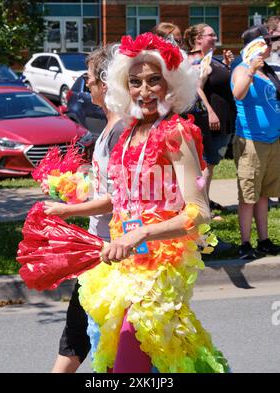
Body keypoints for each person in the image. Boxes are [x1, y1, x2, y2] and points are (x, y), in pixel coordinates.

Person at [78, 32, 230, 373]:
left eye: (153, 81)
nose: (144, 92)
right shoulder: (130, 131)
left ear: (171, 84)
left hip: (163, 264)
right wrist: (67, 210)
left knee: (133, 355)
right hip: (127, 261)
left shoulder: (175, 131)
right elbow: (119, 199)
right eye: (135, 82)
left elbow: (199, 212)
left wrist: (141, 234)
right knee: (164, 353)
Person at [43, 44, 124, 372]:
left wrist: (67, 212)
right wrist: (75, 189)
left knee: (107, 341)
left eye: (88, 80)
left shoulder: (120, 131)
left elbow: (120, 199)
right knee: (79, 331)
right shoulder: (108, 128)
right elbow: (107, 188)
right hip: (98, 251)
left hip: (114, 255)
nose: (85, 85)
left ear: (106, 83)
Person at [231, 25, 280, 260]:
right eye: (267, 42)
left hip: (272, 141)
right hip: (251, 141)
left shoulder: (267, 71)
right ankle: (245, 244)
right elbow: (238, 94)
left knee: (263, 195)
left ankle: (264, 240)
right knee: (248, 195)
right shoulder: (242, 69)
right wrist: (250, 69)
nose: (271, 46)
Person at [183, 24, 237, 213]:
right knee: (206, 165)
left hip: (223, 119)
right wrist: (211, 111)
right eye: (210, 35)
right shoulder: (194, 59)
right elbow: (196, 87)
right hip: (209, 119)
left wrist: (227, 65)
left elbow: (216, 83)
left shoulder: (209, 58)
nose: (215, 37)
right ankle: (201, 208)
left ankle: (204, 203)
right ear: (198, 38)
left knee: (210, 165)